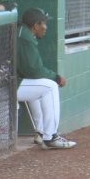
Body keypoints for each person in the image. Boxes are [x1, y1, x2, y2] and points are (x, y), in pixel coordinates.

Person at [16, 8, 76, 149]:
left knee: (40, 87)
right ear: (35, 25)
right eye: (43, 23)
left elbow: (31, 72)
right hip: (8, 84)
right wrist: (56, 77)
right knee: (50, 86)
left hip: (8, 81)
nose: (45, 27)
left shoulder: (23, 32)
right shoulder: (25, 37)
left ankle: (42, 132)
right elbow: (34, 70)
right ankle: (51, 136)